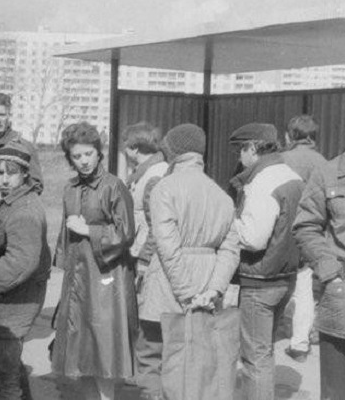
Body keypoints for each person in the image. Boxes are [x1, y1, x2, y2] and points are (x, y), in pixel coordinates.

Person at [143, 123, 240, 400]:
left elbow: (167, 247)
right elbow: (231, 249)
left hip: (169, 286)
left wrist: (187, 293)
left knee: (155, 357)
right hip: (208, 284)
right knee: (199, 362)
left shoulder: (164, 188)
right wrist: (213, 290)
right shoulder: (221, 195)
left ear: (172, 152)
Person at [51, 121, 137, 400]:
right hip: (78, 277)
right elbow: (66, 234)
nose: (84, 161)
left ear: (99, 152)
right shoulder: (70, 188)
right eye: (77, 156)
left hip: (105, 277)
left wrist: (89, 229)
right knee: (80, 348)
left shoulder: (114, 186)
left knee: (104, 348)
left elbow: (126, 233)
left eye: (88, 153)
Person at [228, 122, 304, 400]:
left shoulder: (261, 182)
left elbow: (253, 238)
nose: (240, 157)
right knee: (265, 350)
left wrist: (229, 222)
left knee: (254, 358)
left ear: (252, 148)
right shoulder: (292, 176)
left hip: (259, 281)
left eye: (241, 150)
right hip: (286, 277)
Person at [293, 94, 345, 400]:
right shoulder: (328, 173)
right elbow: (306, 226)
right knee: (336, 395)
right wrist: (329, 270)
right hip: (344, 306)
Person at [0, 142, 51, 399]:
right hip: (9, 298)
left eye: (12, 172)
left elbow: (21, 262)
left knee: (5, 375)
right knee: (9, 368)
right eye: (0, 172)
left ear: (25, 174)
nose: (5, 179)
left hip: (15, 302)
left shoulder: (24, 211)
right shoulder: (9, 201)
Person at [121, 122, 169, 400]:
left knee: (147, 321)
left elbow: (155, 226)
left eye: (126, 146)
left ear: (134, 148)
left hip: (145, 259)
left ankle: (149, 382)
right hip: (137, 253)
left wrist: (145, 260)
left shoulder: (154, 176)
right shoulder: (145, 172)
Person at [281, 115, 327, 362]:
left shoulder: (282, 160)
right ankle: (300, 343)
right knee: (304, 285)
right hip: (311, 231)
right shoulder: (324, 163)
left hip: (282, 230)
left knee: (276, 284)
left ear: (290, 135)